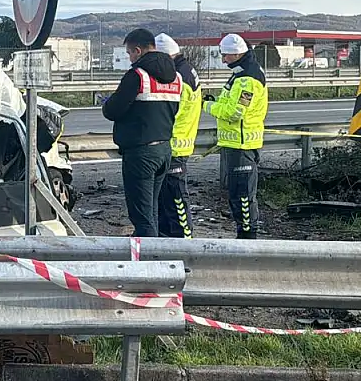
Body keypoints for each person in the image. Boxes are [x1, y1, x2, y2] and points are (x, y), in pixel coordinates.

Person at [102, 28, 183, 237]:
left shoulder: (137, 76)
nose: (129, 58)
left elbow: (112, 111)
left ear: (138, 50)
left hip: (140, 153)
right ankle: (154, 248)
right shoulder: (176, 78)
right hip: (164, 149)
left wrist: (108, 102)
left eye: (129, 53)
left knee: (142, 216)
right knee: (152, 210)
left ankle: (148, 254)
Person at [204, 34, 268, 238]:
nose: (223, 60)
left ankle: (248, 238)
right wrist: (215, 102)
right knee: (237, 196)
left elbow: (235, 113)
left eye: (226, 55)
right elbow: (230, 104)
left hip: (243, 145)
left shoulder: (247, 79)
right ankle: (245, 235)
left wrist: (207, 106)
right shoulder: (240, 74)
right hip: (236, 143)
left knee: (243, 197)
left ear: (237, 53)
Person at [155, 33, 201, 238]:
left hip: (175, 144)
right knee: (168, 198)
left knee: (175, 198)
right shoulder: (186, 70)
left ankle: (183, 240)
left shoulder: (177, 76)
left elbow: (169, 110)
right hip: (181, 141)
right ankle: (171, 239)